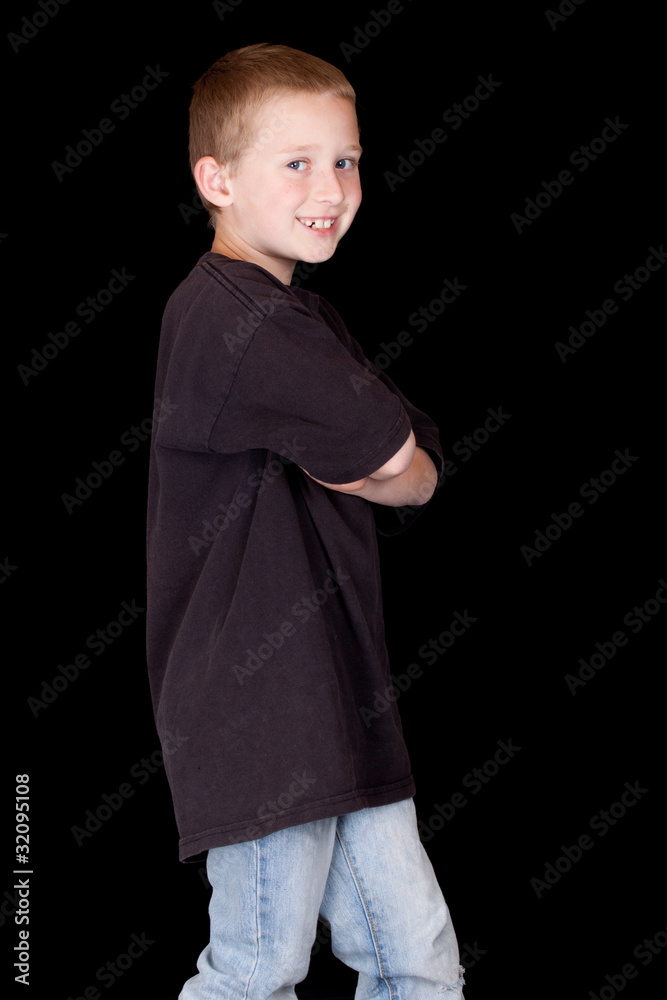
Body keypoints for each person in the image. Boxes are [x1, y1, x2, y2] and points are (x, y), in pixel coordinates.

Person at [146, 42, 465, 1000]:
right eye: (296, 162)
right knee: (254, 972)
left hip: (335, 696)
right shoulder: (236, 320)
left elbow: (418, 457)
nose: (330, 189)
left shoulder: (298, 315)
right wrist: (390, 467)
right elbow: (394, 456)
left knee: (415, 964)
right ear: (216, 181)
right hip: (264, 711)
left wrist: (395, 467)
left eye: (346, 160)